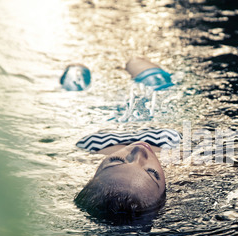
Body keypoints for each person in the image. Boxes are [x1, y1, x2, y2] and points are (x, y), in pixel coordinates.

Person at [71, 57, 180, 223]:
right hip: (158, 107)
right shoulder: (182, 163)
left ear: (95, 172)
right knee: (141, 67)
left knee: (74, 76)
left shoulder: (88, 149)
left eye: (115, 160)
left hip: (104, 121)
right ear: (165, 190)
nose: (138, 151)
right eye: (152, 173)